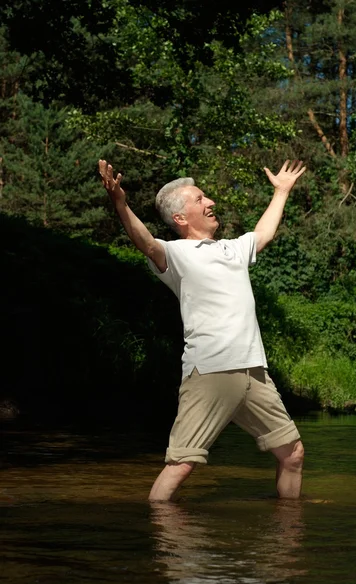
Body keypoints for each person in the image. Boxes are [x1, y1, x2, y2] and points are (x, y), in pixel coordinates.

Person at [98, 158, 306, 501]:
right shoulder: (176, 254)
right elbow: (146, 241)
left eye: (206, 197)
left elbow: (265, 232)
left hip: (254, 371)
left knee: (293, 455)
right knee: (181, 464)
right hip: (210, 371)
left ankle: (285, 543)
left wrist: (281, 191)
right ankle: (163, 545)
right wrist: (120, 204)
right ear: (180, 218)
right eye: (199, 200)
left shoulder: (233, 249)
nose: (210, 203)